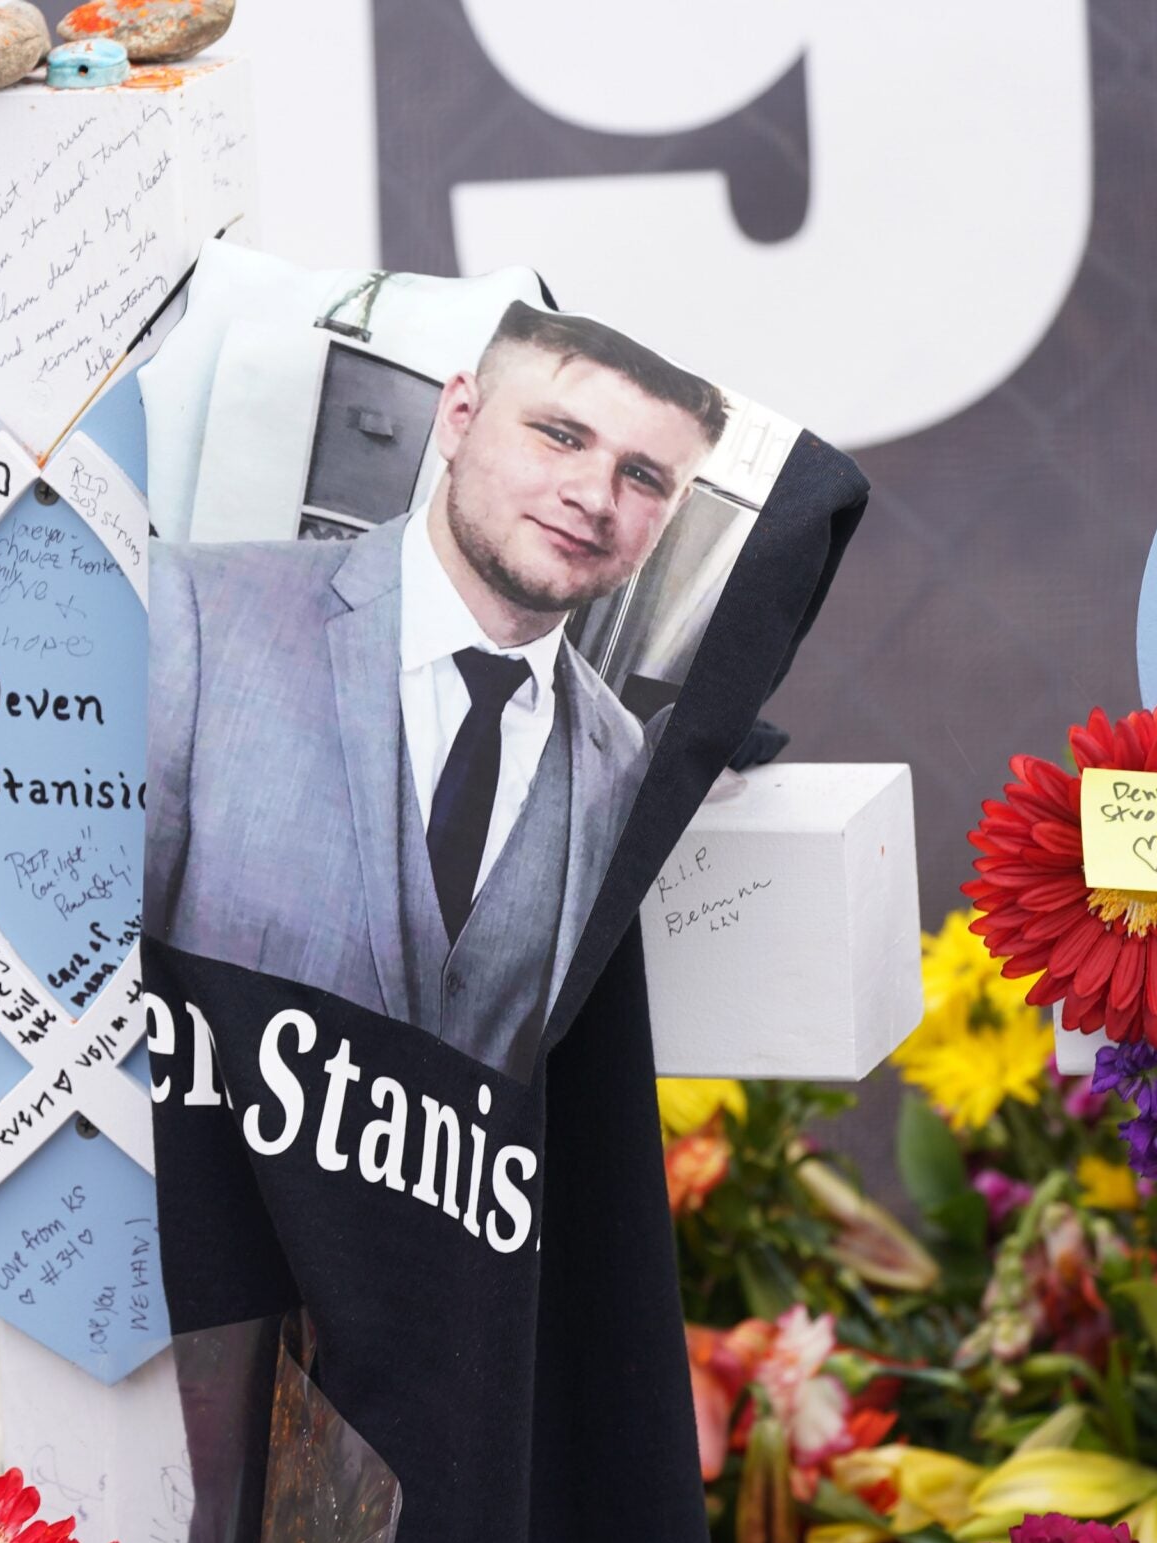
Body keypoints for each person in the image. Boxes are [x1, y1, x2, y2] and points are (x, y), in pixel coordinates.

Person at [145, 302, 727, 1078]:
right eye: (560, 434)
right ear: (459, 418)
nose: (595, 496)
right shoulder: (196, 613)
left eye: (643, 476)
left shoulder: (622, 762)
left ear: (672, 514)